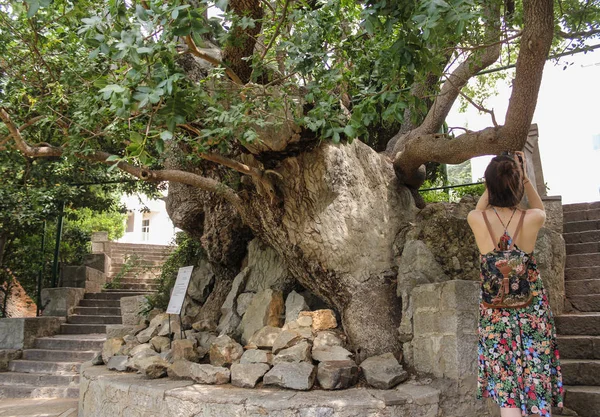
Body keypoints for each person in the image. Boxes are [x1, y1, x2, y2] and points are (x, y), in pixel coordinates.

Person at [467, 151, 564, 417]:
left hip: (495, 313)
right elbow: (541, 209)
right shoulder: (532, 218)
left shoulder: (477, 219)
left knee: (507, 387)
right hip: (531, 310)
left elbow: (479, 208)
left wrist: (492, 185)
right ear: (518, 183)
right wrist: (524, 178)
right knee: (535, 381)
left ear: (488, 185)